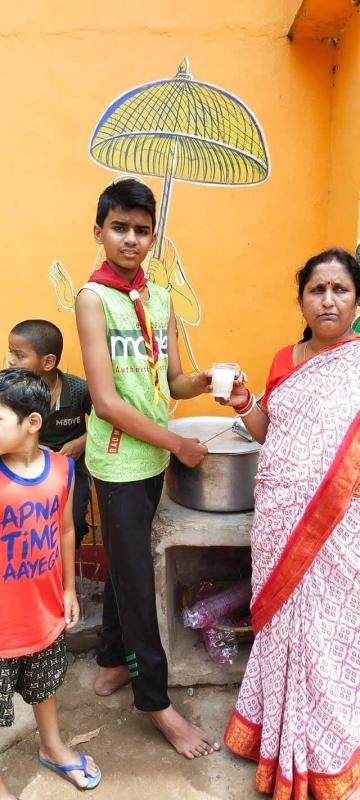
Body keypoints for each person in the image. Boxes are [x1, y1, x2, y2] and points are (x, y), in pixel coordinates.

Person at [75, 178, 220, 759]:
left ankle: (111, 660)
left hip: (151, 455)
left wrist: (202, 383)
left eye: (141, 230)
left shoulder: (159, 299)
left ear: (153, 236)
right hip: (116, 460)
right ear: (99, 232)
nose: (131, 239)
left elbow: (172, 380)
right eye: (119, 228)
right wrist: (179, 446)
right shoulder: (94, 298)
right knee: (136, 582)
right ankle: (156, 704)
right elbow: (107, 402)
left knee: (125, 563)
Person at [220, 248, 360, 800]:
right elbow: (265, 431)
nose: (327, 299)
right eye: (316, 289)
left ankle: (326, 745)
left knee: (329, 632)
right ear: (301, 298)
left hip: (340, 524)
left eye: (340, 289)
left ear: (356, 298)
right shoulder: (286, 358)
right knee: (282, 628)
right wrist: (243, 402)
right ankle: (275, 734)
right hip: (278, 519)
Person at [0, 368, 101, 799]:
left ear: (33, 423)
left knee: (45, 687)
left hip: (42, 614)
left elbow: (64, 532)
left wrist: (67, 589)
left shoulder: (62, 469)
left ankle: (52, 746)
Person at [8, 320, 92, 549]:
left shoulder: (78, 391)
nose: (10, 360)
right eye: (10, 353)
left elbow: (105, 422)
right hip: (22, 468)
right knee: (19, 521)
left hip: (72, 470)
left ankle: (63, 573)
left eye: (19, 355)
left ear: (48, 362)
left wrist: (82, 443)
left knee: (72, 520)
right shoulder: (11, 392)